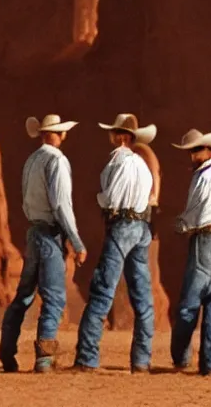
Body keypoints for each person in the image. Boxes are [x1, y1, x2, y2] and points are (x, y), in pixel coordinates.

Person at [0, 114, 88, 373]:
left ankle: (6, 351)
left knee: (23, 295)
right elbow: (61, 205)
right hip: (50, 234)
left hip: (33, 233)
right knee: (54, 297)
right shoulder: (57, 161)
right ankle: (45, 358)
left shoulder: (31, 161)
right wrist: (76, 242)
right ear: (61, 134)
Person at [73, 113, 156, 374]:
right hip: (142, 227)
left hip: (122, 226)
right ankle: (141, 361)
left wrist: (98, 198)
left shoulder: (116, 161)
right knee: (142, 295)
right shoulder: (142, 165)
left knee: (102, 289)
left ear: (118, 136)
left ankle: (87, 358)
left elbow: (108, 198)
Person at [169, 129, 211, 376]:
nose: (192, 154)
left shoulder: (202, 178)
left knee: (188, 305)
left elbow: (192, 215)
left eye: (197, 149)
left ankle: (181, 358)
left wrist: (179, 224)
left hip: (204, 241)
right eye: (192, 150)